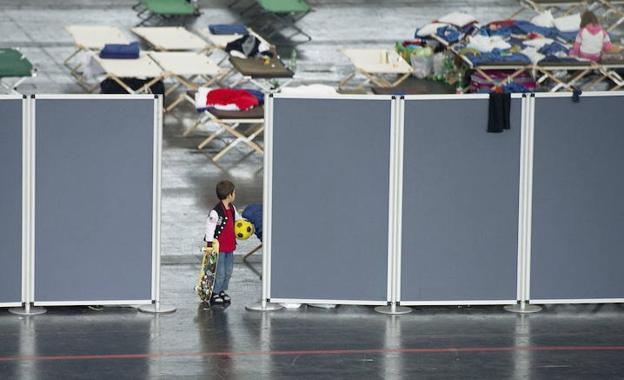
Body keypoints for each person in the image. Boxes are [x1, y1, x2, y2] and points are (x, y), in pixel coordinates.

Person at [204, 180, 239, 305]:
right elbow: (210, 227)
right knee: (220, 272)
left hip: (230, 247)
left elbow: (238, 221)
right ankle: (215, 292)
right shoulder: (216, 212)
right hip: (219, 248)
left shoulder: (232, 209)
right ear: (230, 195)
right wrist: (209, 244)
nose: (235, 194)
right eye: (234, 192)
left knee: (228, 271)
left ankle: (222, 290)